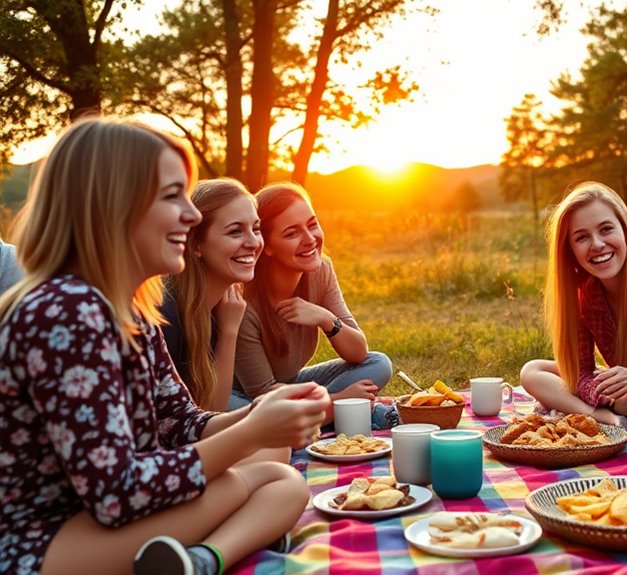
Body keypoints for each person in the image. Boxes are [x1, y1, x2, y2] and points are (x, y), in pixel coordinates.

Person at [0, 117, 330, 575]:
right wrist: (251, 433)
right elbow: (115, 493)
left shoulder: (131, 309)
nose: (192, 215)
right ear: (115, 206)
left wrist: (259, 414)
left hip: (103, 518)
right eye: (173, 196)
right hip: (42, 544)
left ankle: (197, 562)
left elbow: (180, 421)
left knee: (283, 481)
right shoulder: (65, 311)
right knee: (252, 480)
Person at [520, 181, 627, 429]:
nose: (597, 244)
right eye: (581, 237)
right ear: (569, 250)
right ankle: (605, 418)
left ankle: (605, 409)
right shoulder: (584, 292)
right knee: (531, 371)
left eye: (606, 229)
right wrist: (598, 391)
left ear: (625, 230)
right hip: (624, 385)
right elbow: (580, 373)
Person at [233, 182, 396, 427]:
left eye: (312, 225)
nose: (310, 239)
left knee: (378, 364)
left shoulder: (321, 270)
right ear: (265, 246)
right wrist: (338, 399)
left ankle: (315, 418)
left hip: (289, 385)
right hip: (246, 398)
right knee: (236, 411)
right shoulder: (245, 300)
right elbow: (262, 392)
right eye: (292, 233)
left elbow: (358, 352)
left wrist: (326, 319)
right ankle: (339, 413)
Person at [162, 178, 262, 411]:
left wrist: (228, 328)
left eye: (256, 228)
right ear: (196, 244)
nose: (253, 242)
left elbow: (212, 408)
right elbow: (209, 414)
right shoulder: (165, 316)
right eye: (235, 231)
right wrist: (229, 333)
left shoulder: (224, 305)